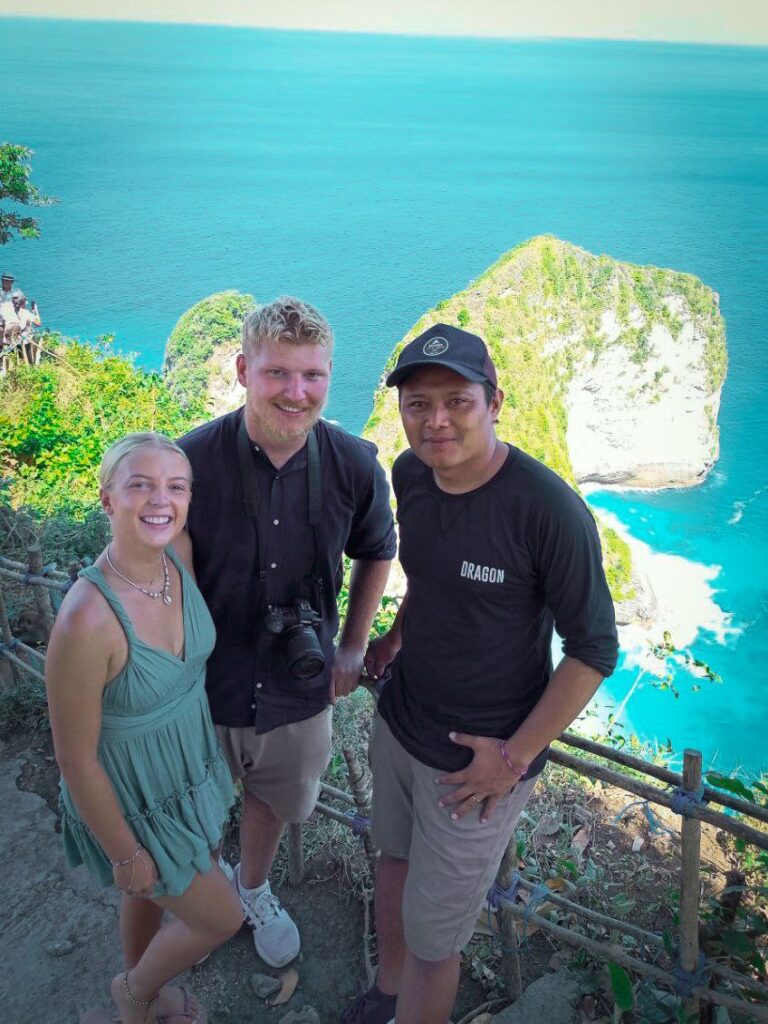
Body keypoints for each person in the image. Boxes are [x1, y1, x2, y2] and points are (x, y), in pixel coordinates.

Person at [341, 324, 619, 1024]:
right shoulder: (410, 475)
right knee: (393, 864)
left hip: (475, 769)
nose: (436, 420)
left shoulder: (547, 510)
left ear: (495, 401)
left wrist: (514, 758)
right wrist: (395, 638)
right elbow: (427, 576)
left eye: (457, 401)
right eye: (417, 404)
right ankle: (384, 995)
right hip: (402, 720)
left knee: (438, 943)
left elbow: (593, 649)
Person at [176, 296, 396, 968]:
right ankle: (201, 898)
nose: (296, 393)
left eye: (313, 376)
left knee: (274, 801)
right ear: (244, 369)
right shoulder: (190, 462)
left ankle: (252, 887)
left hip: (301, 685)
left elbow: (377, 550)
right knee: (195, 804)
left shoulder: (356, 464)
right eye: (277, 373)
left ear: (331, 376)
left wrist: (354, 646)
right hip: (205, 684)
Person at [46, 433, 244, 1024]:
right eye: (140, 484)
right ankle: (133, 994)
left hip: (186, 766)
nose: (161, 499)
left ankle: (149, 994)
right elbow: (75, 759)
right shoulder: (87, 619)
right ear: (107, 499)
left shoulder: (176, 558)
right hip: (133, 796)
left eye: (176, 487)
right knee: (222, 917)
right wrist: (125, 852)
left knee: (153, 895)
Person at [13, 290, 41, 364]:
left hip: (13, 343)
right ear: (23, 302)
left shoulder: (11, 312)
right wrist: (35, 310)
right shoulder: (26, 313)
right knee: (28, 362)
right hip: (25, 342)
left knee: (17, 361)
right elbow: (38, 323)